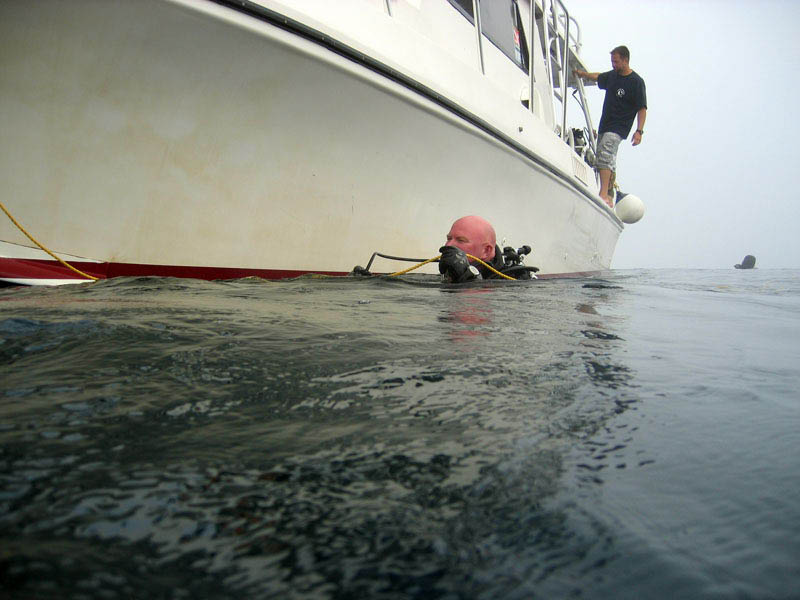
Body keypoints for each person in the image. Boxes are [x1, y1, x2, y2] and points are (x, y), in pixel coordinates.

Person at [574, 45, 647, 208]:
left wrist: (639, 131)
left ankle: (603, 194)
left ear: (625, 60)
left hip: (619, 127)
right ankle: (609, 194)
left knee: (606, 154)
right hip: (605, 125)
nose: (613, 64)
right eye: (612, 61)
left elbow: (642, 108)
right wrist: (583, 74)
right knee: (604, 156)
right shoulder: (613, 76)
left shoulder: (636, 82)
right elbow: (599, 77)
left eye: (616, 61)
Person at [438, 215, 534, 282]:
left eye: (461, 240)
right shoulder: (447, 275)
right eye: (449, 238)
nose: (448, 245)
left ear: (486, 251)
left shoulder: (513, 284)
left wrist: (468, 280)